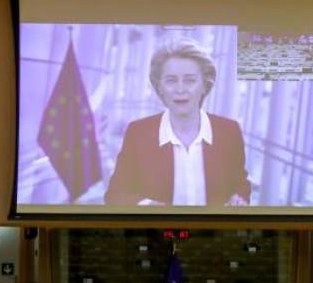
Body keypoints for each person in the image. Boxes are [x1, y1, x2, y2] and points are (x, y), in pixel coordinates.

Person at [105, 38, 251, 207]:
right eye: (171, 80)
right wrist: (145, 205)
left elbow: (241, 183)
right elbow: (115, 194)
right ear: (159, 87)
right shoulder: (138, 132)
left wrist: (239, 198)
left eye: (189, 80)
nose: (180, 89)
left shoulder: (229, 131)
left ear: (205, 85)